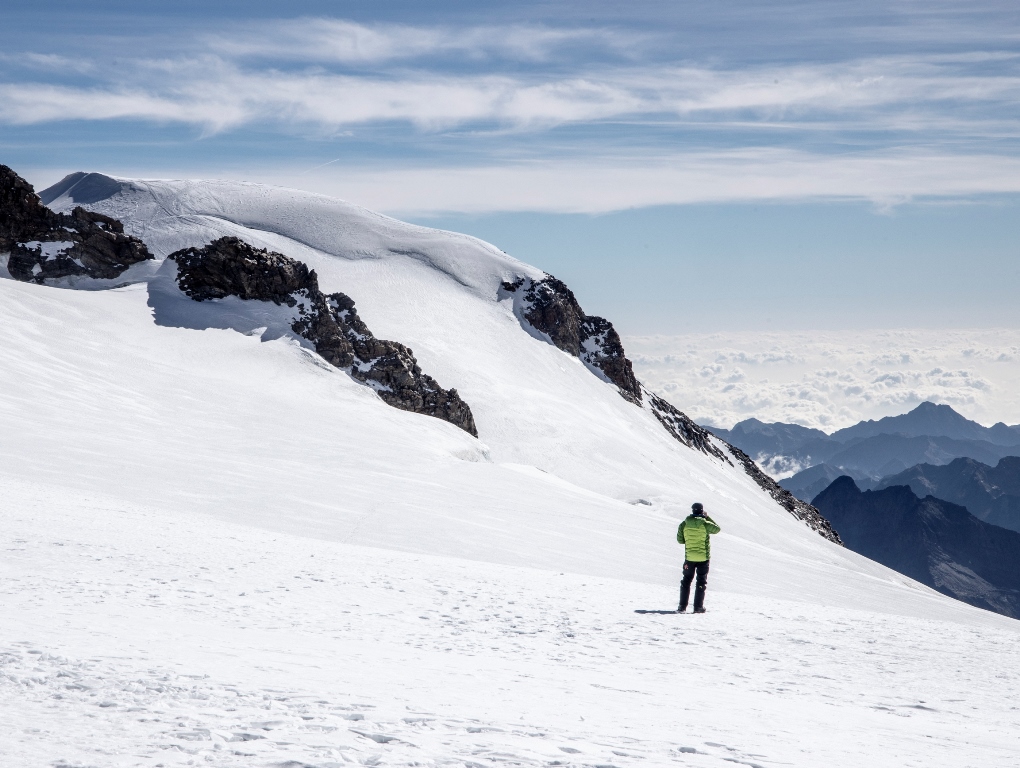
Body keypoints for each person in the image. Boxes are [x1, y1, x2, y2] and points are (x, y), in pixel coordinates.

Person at [676, 502, 720, 613]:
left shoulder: (684, 524)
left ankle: (682, 607)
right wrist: (707, 517)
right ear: (701, 511)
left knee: (686, 581)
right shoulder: (705, 523)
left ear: (692, 510)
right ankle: (698, 607)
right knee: (701, 582)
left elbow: (680, 540)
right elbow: (717, 529)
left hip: (689, 558)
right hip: (703, 558)